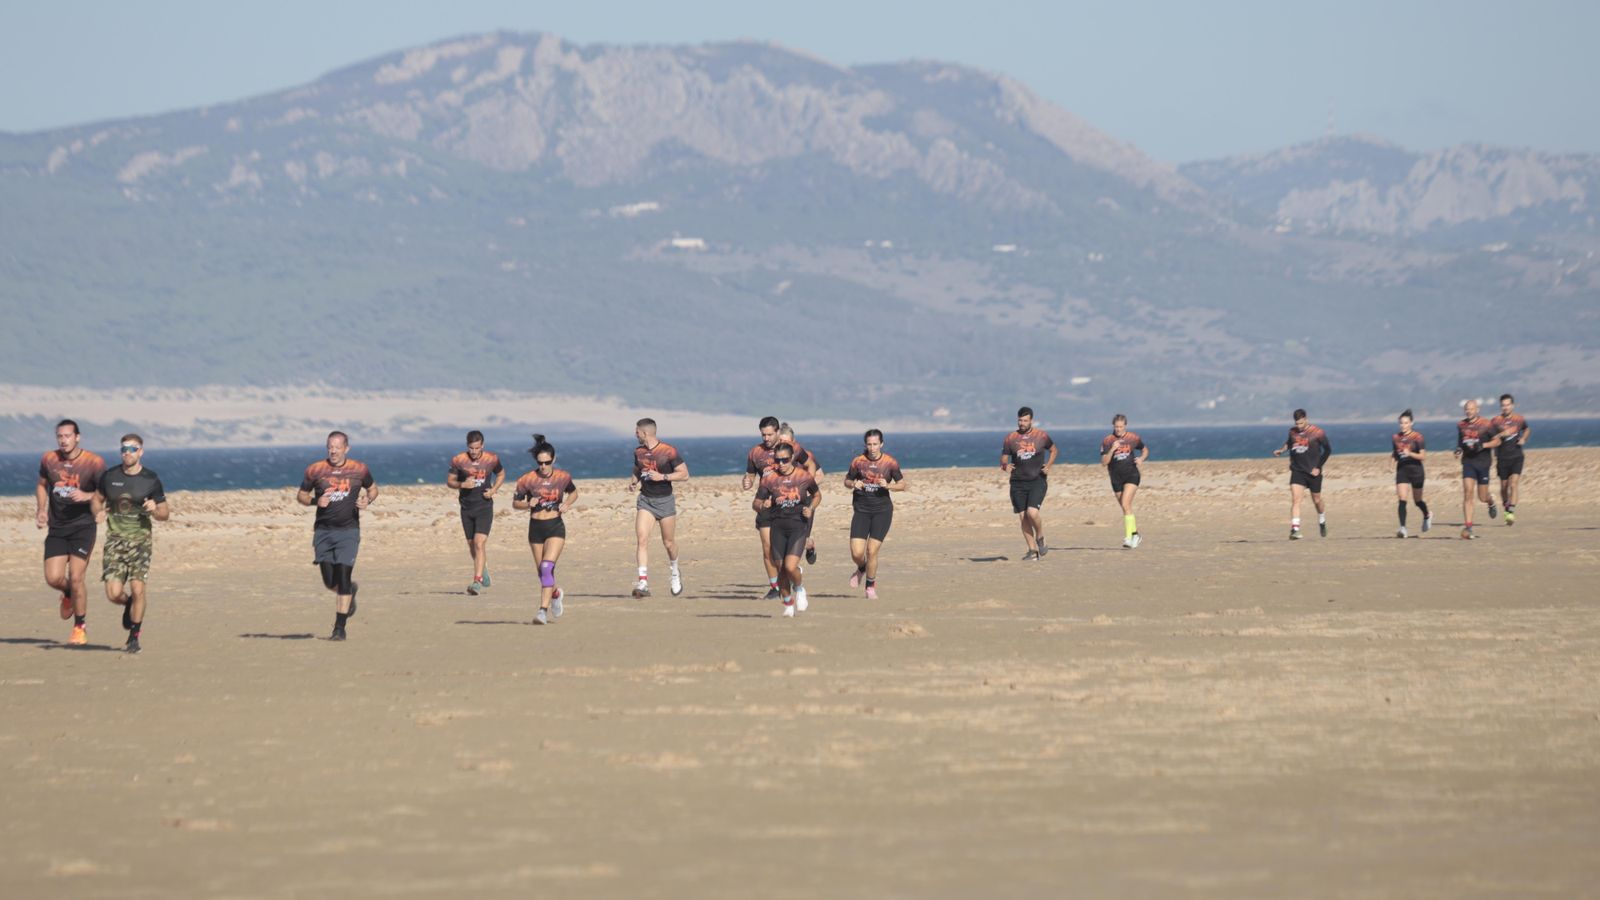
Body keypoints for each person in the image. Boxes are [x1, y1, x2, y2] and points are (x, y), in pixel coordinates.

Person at [297, 431, 377, 641]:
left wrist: (368, 501)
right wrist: (316, 502)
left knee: (342, 578)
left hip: (349, 531)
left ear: (346, 448)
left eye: (337, 447)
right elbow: (301, 495)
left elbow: (373, 489)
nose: (333, 451)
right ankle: (351, 591)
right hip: (324, 531)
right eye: (329, 447)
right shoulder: (315, 470)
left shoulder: (359, 469)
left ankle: (339, 629)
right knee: (329, 581)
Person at [96, 434, 170, 653]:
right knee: (113, 593)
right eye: (124, 449)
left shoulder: (151, 479)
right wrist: (97, 511)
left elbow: (165, 513)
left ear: (141, 452)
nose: (127, 452)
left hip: (140, 542)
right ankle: (127, 604)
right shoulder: (109, 476)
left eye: (132, 448)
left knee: (138, 590)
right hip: (115, 541)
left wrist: (154, 510)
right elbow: (96, 499)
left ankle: (134, 637)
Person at [36, 419, 106, 645]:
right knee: (54, 578)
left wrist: (87, 497)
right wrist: (41, 510)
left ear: (78, 437)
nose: (63, 440)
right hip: (57, 528)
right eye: (60, 436)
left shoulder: (93, 462)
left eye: (67, 436)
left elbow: (103, 493)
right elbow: (41, 485)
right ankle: (67, 594)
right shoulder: (49, 458)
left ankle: (79, 626)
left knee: (77, 577)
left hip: (83, 527)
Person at [512, 434, 578, 625]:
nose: (543, 466)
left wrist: (567, 504)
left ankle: (542, 611)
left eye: (547, 462)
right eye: (540, 463)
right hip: (535, 528)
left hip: (555, 526)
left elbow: (574, 493)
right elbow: (516, 503)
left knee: (547, 567)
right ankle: (556, 593)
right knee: (542, 573)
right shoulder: (527, 479)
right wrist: (527, 505)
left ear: (553, 460)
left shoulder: (562, 477)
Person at [754, 443, 822, 617]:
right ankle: (788, 604)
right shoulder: (769, 479)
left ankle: (799, 588)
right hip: (777, 527)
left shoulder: (804, 476)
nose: (781, 463)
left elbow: (817, 495)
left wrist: (811, 508)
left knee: (790, 567)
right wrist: (763, 505)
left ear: (792, 458)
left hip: (798, 526)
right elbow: (755, 503)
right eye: (778, 460)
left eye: (785, 459)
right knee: (781, 568)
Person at [629, 418, 688, 598]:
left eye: (637, 431)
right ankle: (643, 582)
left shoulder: (668, 451)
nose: (635, 434)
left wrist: (662, 477)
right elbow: (637, 469)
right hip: (646, 500)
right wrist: (633, 481)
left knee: (668, 543)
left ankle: (675, 571)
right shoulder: (638, 451)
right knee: (642, 539)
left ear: (645, 433)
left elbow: (684, 474)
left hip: (665, 501)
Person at [845, 429, 905, 599]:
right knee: (857, 553)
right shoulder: (858, 461)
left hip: (882, 511)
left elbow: (902, 484)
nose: (872, 448)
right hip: (861, 511)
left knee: (872, 551)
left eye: (875, 444)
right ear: (866, 445)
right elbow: (847, 480)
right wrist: (853, 484)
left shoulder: (890, 462)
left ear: (881, 444)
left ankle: (870, 586)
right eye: (869, 444)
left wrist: (888, 486)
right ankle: (862, 568)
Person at [447, 430, 504, 595]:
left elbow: (501, 474)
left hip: (484, 507)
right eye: (471, 448)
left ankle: (476, 581)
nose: (474, 451)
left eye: (477, 448)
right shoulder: (459, 460)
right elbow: (450, 481)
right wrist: (462, 485)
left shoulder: (491, 459)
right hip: (466, 508)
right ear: (467, 446)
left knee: (479, 543)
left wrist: (493, 490)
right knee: (472, 546)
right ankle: (483, 569)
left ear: (482, 446)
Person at [1000, 406, 1056, 560]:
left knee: (1032, 513)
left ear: (1031, 420)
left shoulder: (1041, 436)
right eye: (1020, 420)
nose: (1022, 423)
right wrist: (1005, 466)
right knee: (1023, 517)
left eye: (1025, 420)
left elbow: (1054, 450)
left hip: (1037, 480)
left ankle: (1040, 536)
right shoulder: (1010, 438)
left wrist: (1049, 465)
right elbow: (1004, 458)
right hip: (1017, 482)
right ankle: (1032, 551)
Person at [743, 416, 787, 600]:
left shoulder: (789, 449)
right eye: (763, 435)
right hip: (765, 504)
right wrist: (747, 482)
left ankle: (790, 576)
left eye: (770, 434)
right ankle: (775, 587)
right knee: (768, 547)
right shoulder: (755, 452)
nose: (766, 438)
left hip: (786, 503)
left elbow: (806, 471)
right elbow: (750, 475)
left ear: (778, 432)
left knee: (783, 548)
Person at [1272, 409, 1331, 540]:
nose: (1299, 426)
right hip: (1298, 470)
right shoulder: (1292, 432)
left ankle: (1322, 520)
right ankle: (1295, 529)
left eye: (1301, 423)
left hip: (1313, 472)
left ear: (1306, 419)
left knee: (1317, 500)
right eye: (1297, 423)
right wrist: (1281, 450)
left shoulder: (1317, 432)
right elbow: (1289, 443)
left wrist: (1318, 467)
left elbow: (1327, 450)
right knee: (1296, 499)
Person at [1454, 400, 1503, 540]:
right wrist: (1458, 451)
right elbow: (1460, 443)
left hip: (1483, 463)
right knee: (1468, 493)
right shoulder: (1461, 425)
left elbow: (1497, 441)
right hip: (1468, 462)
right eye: (1466, 409)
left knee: (1482, 497)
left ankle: (1490, 501)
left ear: (1477, 409)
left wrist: (1484, 445)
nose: (1468, 411)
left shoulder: (1487, 424)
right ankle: (1468, 527)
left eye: (1471, 409)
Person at [777, 422, 824, 565]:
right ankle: (791, 572)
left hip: (805, 502)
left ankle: (809, 546)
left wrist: (805, 488)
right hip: (785, 503)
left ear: (793, 441)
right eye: (780, 441)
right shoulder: (776, 458)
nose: (782, 444)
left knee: (800, 540)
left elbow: (820, 475)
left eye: (786, 441)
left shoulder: (805, 455)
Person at [1099, 415, 1147, 549]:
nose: (1119, 429)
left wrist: (1141, 458)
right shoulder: (1108, 441)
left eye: (1121, 427)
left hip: (1131, 474)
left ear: (1125, 426)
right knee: (1125, 507)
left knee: (1126, 504)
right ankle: (1135, 534)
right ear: (1113, 426)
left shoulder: (1133, 438)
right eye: (1116, 427)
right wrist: (1112, 450)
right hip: (1115, 477)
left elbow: (1144, 449)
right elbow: (1104, 462)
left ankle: (1129, 538)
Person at [1490, 394, 1531, 526]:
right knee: (1503, 487)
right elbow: (1490, 437)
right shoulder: (1495, 421)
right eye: (1503, 405)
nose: (1506, 407)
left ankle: (1510, 512)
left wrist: (1524, 438)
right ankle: (1506, 506)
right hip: (1502, 458)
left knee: (1513, 484)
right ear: (1501, 406)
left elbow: (1527, 429)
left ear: (1512, 405)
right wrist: (1502, 434)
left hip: (1517, 456)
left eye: (1508, 405)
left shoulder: (1519, 419)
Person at [1391, 410, 1431, 538]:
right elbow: (1395, 454)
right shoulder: (1396, 437)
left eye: (1406, 423)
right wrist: (1391, 465)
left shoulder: (1418, 437)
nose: (1403, 425)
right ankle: (1403, 528)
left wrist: (1410, 454)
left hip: (1416, 470)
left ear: (1411, 423)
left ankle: (1427, 514)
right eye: (1401, 423)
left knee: (1417, 501)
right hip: (1402, 470)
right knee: (1402, 499)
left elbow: (1423, 456)